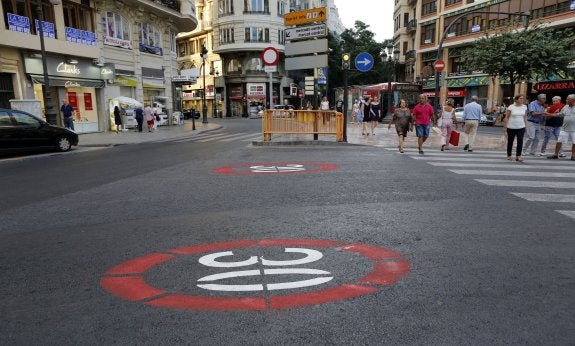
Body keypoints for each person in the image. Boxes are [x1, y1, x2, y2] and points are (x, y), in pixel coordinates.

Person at [548, 94, 575, 161]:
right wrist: (550, 114)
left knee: (574, 142)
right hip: (564, 128)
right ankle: (555, 154)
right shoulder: (565, 107)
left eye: (568, 99)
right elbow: (560, 114)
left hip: (574, 129)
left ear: (573, 100)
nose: (566, 100)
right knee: (559, 141)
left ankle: (573, 155)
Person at [503, 94, 527, 162]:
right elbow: (506, 117)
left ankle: (518, 156)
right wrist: (505, 128)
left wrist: (526, 126)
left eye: (523, 98)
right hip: (511, 127)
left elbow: (525, 117)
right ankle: (509, 155)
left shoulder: (524, 107)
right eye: (520, 98)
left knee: (520, 141)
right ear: (516, 100)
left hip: (521, 126)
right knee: (510, 141)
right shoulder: (511, 107)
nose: (522, 100)